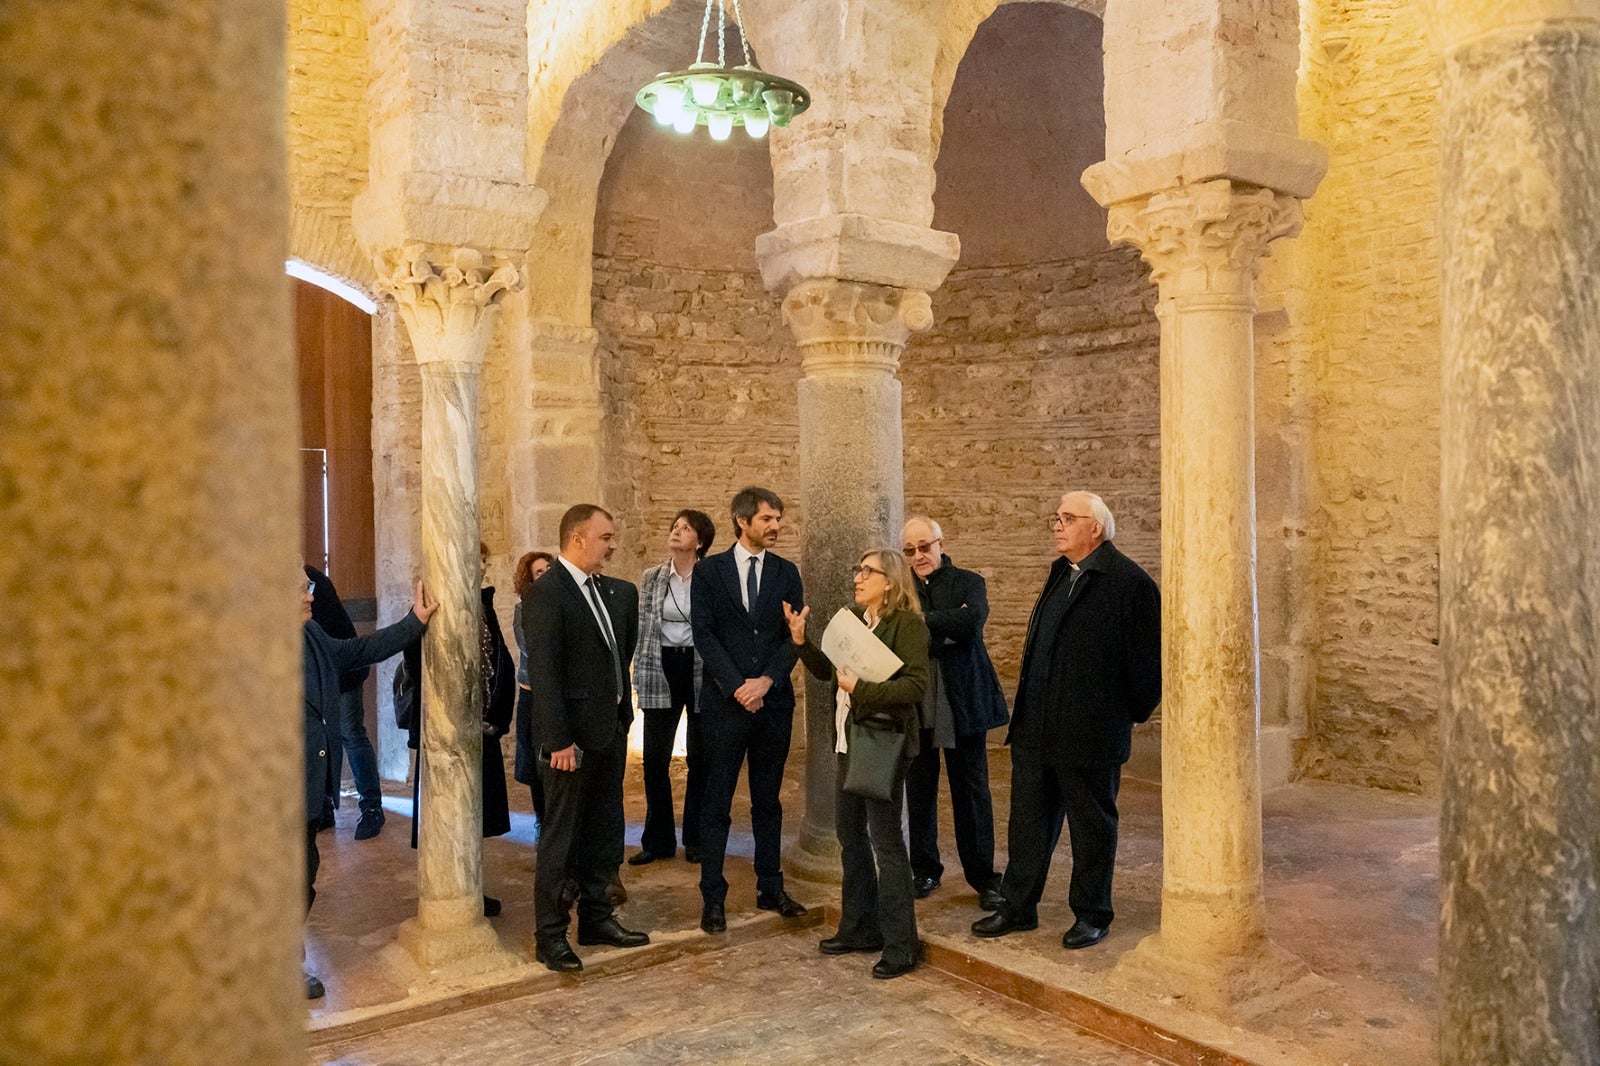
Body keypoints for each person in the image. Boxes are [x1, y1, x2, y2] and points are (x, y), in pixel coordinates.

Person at [972, 491, 1160, 951]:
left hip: (1090, 734)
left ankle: (1092, 913)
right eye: (1055, 517)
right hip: (1037, 727)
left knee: (1092, 828)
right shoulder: (1062, 572)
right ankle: (1018, 907)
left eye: (1067, 518)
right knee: (1028, 825)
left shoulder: (1129, 582)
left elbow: (1148, 666)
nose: (1056, 525)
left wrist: (1122, 717)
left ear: (1095, 528)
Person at [785, 550, 929, 979]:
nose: (859, 577)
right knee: (850, 837)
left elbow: (916, 687)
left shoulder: (908, 625)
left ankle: (902, 945)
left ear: (891, 581)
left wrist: (861, 689)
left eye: (868, 571)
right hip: (850, 742)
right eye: (858, 570)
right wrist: (802, 642)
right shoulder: (853, 618)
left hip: (882, 745)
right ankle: (860, 928)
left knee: (886, 842)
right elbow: (830, 673)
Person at [523, 504, 648, 972]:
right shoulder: (547, 593)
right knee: (560, 838)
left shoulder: (614, 593)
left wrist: (620, 719)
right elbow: (547, 674)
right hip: (567, 742)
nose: (613, 545)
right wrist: (557, 741)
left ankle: (597, 917)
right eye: (606, 537)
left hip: (608, 732)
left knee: (605, 830)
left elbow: (619, 656)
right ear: (578, 538)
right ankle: (550, 935)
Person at [302, 569, 436, 998]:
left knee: (303, 875)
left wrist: (414, 622)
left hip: (307, 788)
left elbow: (361, 648)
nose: (311, 595)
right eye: (302, 589)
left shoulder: (313, 636)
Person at [691, 487, 808, 934]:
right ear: (742, 521)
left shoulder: (786, 572)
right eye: (767, 519)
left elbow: (791, 635)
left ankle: (770, 886)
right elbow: (703, 634)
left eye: (778, 518)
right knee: (716, 803)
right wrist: (738, 685)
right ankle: (713, 898)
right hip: (725, 704)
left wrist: (767, 681)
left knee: (768, 802)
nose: (775, 526)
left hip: (772, 704)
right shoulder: (709, 572)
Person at [899, 517, 1008, 909]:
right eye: (909, 550)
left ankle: (984, 877)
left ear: (940, 543)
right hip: (918, 698)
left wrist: (921, 623)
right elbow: (897, 633)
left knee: (972, 790)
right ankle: (925, 869)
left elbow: (972, 621)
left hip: (963, 697)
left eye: (924, 546)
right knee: (920, 788)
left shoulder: (969, 581)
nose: (918, 556)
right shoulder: (902, 586)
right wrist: (945, 624)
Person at [403, 542, 516, 917]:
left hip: (482, 726)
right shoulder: (433, 607)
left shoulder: (483, 605)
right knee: (449, 815)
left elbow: (497, 658)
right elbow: (417, 662)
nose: (484, 568)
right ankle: (451, 893)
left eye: (485, 561)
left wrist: (497, 714)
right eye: (477, 561)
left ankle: (472, 888)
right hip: (447, 730)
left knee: (476, 815)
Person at [629, 509, 717, 865]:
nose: (677, 532)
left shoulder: (710, 577)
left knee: (700, 758)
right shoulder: (652, 577)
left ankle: (695, 838)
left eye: (686, 528)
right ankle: (658, 840)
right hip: (660, 666)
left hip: (699, 667)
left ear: (701, 540)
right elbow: (644, 626)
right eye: (675, 526)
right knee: (654, 759)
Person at [304, 563, 385, 840]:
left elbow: (331, 638)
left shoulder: (309, 580)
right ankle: (325, 807)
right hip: (321, 673)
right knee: (322, 738)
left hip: (344, 670)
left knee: (351, 734)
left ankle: (372, 807)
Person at [511, 550, 556, 828]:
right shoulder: (523, 609)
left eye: (549, 568)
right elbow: (530, 649)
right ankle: (542, 822)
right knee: (536, 764)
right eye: (540, 572)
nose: (547, 574)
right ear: (529, 579)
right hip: (533, 692)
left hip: (557, 692)